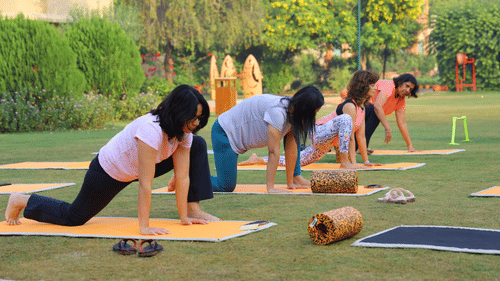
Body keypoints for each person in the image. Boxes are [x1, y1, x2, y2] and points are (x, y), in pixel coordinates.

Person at [5, 85, 220, 235]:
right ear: (178, 112)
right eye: (193, 117)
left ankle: (193, 209)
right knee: (74, 217)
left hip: (139, 166)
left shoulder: (185, 133)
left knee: (198, 145)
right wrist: (144, 227)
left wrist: (184, 217)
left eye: (199, 118)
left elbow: (183, 177)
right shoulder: (150, 131)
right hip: (109, 171)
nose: (196, 123)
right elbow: (146, 184)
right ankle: (21, 200)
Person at [239, 71, 380, 169]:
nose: (375, 88)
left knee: (299, 162)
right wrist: (348, 163)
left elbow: (360, 136)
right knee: (345, 120)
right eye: (372, 85)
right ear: (363, 86)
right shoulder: (350, 105)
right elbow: (349, 138)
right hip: (318, 132)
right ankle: (344, 162)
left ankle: (258, 159)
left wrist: (365, 161)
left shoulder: (362, 108)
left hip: (327, 141)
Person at [211, 86, 325, 193]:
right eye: (314, 112)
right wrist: (270, 187)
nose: (314, 116)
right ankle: (194, 178)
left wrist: (291, 182)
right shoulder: (278, 112)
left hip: (236, 138)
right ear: (306, 109)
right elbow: (273, 152)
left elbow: (292, 147)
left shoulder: (293, 109)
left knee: (295, 139)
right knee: (225, 185)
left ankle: (296, 178)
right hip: (225, 133)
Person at [364, 73, 420, 152]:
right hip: (357, 107)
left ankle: (361, 147)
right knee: (376, 112)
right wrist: (387, 128)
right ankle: (361, 147)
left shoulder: (401, 99)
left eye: (410, 89)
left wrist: (410, 146)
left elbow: (402, 123)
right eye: (407, 86)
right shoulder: (389, 86)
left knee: (376, 114)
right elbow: (377, 106)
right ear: (400, 83)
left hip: (366, 112)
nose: (408, 90)